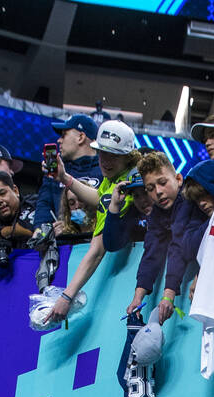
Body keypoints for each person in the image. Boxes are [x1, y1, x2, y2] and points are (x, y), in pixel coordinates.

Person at [42, 120, 141, 326]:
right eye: (102, 153)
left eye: (112, 155)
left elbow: (96, 251)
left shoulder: (126, 189)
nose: (104, 160)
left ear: (127, 156)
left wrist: (67, 297)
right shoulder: (119, 175)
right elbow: (99, 197)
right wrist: (65, 178)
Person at [122, 151, 206, 323]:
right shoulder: (157, 213)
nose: (158, 192)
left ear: (178, 179)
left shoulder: (189, 199)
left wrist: (168, 294)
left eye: (162, 183)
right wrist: (137, 297)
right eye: (150, 189)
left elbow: (178, 246)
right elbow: (151, 252)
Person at [34, 113, 102, 231]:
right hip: (63, 245)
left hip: (97, 243)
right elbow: (43, 210)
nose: (59, 140)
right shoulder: (55, 173)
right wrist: (42, 233)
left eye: (64, 135)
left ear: (80, 137)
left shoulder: (104, 170)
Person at [102, 170, 152, 250]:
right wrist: (115, 205)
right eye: (136, 196)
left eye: (146, 192)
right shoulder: (133, 216)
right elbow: (111, 245)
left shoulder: (173, 211)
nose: (142, 200)